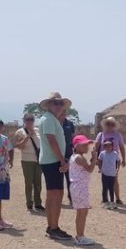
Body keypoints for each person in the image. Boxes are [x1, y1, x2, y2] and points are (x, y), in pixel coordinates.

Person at [39, 92, 72, 240]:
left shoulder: (51, 119)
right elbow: (51, 141)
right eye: (55, 103)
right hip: (52, 161)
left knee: (55, 194)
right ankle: (54, 227)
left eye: (60, 103)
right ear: (49, 104)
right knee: (55, 194)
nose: (58, 106)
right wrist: (62, 160)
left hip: (52, 161)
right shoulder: (49, 120)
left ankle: (52, 225)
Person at [69, 135, 97, 245]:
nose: (87, 147)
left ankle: (80, 235)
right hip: (79, 187)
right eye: (84, 145)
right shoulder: (78, 158)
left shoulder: (77, 157)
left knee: (81, 212)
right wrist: (94, 157)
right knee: (82, 212)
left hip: (79, 187)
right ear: (77, 146)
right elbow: (90, 169)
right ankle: (80, 236)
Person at [14, 113, 44, 211]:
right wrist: (27, 137)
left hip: (38, 160)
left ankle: (38, 203)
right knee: (28, 182)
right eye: (28, 120)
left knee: (38, 182)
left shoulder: (38, 131)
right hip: (27, 160)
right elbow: (19, 146)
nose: (29, 122)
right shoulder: (20, 132)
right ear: (24, 121)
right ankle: (29, 203)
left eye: (31, 120)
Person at [95, 117, 126, 204]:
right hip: (103, 159)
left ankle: (117, 198)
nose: (110, 126)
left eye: (112, 124)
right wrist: (95, 159)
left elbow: (122, 147)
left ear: (114, 126)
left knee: (114, 178)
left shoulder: (118, 135)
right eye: (108, 124)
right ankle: (105, 198)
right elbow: (96, 147)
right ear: (105, 125)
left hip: (113, 159)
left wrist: (124, 159)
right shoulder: (100, 135)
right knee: (105, 179)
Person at [98, 140, 121, 209]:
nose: (107, 147)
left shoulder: (115, 153)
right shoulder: (102, 153)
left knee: (111, 188)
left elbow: (119, 161)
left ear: (112, 146)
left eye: (109, 145)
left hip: (112, 173)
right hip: (104, 173)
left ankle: (112, 203)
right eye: (105, 145)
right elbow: (99, 160)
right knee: (105, 188)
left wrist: (117, 169)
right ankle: (105, 202)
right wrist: (100, 168)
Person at [60, 110, 75, 205]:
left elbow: (73, 137)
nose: (62, 113)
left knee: (70, 178)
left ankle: (71, 198)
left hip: (68, 154)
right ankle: (58, 199)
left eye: (64, 112)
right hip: (57, 155)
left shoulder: (70, 124)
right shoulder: (55, 123)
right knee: (58, 179)